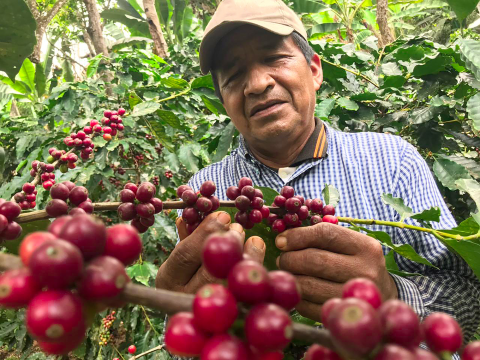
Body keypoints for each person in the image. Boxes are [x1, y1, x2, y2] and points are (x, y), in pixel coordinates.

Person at [156, 0, 480, 343]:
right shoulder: (208, 196)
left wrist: (393, 296)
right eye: (234, 76)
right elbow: (183, 341)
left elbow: (469, 301)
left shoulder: (392, 161)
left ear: (314, 70)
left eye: (274, 58)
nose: (256, 83)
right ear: (225, 102)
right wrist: (191, 317)